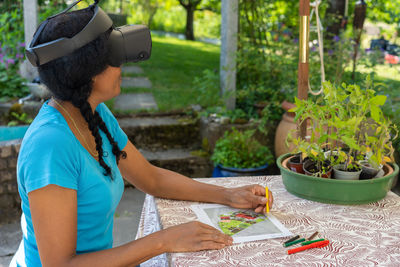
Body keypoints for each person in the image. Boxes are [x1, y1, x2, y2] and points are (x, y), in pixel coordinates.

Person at [11, 6, 273, 267]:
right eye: (113, 58)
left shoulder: (92, 114)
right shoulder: (50, 146)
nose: (121, 65)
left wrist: (228, 196)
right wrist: (162, 240)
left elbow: (152, 179)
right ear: (86, 72)